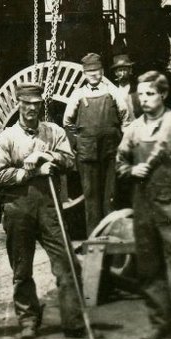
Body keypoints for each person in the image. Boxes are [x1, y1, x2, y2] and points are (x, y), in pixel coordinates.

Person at [0, 83, 88, 339]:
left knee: (67, 262)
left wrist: (48, 158)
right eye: (26, 103)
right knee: (22, 270)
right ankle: (28, 319)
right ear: (19, 104)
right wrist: (30, 171)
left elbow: (70, 160)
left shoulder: (53, 132)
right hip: (18, 208)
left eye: (35, 103)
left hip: (49, 206)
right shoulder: (7, 137)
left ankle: (74, 320)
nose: (31, 108)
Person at [116, 71, 171, 339]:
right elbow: (119, 165)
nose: (144, 99)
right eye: (141, 94)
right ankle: (160, 322)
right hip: (143, 207)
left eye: (150, 93)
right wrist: (132, 169)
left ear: (163, 95)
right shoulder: (133, 130)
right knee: (149, 268)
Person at [63, 53, 132, 237]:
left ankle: (111, 239)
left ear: (102, 71)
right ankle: (94, 241)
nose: (94, 75)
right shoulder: (78, 94)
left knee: (111, 197)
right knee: (91, 199)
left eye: (97, 71)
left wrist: (123, 143)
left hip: (111, 152)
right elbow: (68, 122)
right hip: (87, 155)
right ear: (84, 74)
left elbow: (126, 118)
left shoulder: (113, 92)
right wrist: (80, 142)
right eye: (90, 72)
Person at [111, 53, 143, 119]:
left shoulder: (137, 89)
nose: (122, 73)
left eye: (125, 70)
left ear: (130, 71)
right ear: (115, 73)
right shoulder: (113, 90)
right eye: (120, 70)